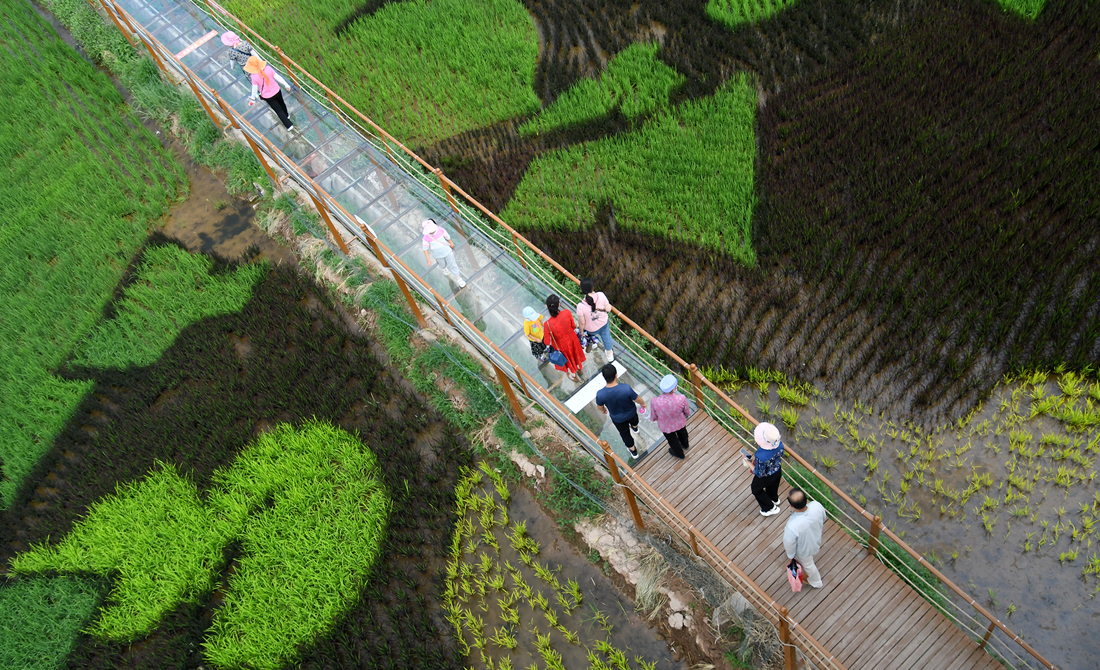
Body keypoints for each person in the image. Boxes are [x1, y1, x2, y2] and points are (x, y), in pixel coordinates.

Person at [596, 364, 647, 460]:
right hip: (631, 413)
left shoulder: (601, 394)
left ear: (604, 377)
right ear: (616, 375)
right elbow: (637, 398)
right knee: (635, 421)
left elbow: (599, 406)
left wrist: (603, 410)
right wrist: (643, 404)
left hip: (618, 419)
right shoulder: (625, 388)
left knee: (625, 434)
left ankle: (633, 451)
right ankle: (635, 428)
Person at [783, 488, 826, 589]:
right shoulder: (817, 505)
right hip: (816, 538)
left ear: (791, 505)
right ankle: (815, 581)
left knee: (808, 565)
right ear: (806, 499)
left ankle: (816, 582)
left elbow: (789, 543)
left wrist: (791, 556)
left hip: (803, 550)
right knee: (809, 563)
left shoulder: (792, 525)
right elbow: (823, 517)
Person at [244, 56, 295, 132]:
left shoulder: (254, 76)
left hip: (268, 96)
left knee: (278, 110)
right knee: (282, 103)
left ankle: (289, 125)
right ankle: (287, 115)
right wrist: (286, 84)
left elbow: (254, 89)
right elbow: (277, 77)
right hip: (277, 91)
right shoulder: (268, 68)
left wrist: (253, 98)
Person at [648, 374, 692, 459]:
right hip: (680, 422)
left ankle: (680, 455)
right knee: (683, 433)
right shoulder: (681, 398)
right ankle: (685, 445)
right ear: (674, 388)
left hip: (666, 426)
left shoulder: (655, 401)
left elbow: (654, 416)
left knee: (672, 441)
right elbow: (687, 411)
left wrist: (654, 419)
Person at [542, 295, 585, 381]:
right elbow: (573, 326)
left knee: (568, 360)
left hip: (561, 347)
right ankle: (579, 369)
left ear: (547, 306)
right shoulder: (567, 312)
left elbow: (547, 342)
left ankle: (573, 375)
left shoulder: (547, 324)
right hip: (573, 340)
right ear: (558, 305)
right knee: (575, 355)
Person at [746, 422, 784, 516]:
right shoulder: (780, 444)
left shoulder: (761, 456)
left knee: (756, 489)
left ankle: (769, 507)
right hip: (777, 470)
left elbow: (759, 473)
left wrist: (748, 462)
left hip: (766, 476)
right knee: (773, 487)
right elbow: (781, 454)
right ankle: (774, 499)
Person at [576, 278, 615, 362]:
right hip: (603, 323)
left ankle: (593, 343)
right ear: (593, 288)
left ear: (582, 290)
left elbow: (582, 322)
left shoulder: (580, 306)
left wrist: (581, 332)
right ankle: (609, 354)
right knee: (606, 337)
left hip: (591, 329)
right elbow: (608, 309)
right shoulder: (601, 295)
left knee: (589, 334)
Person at [421, 219, 466, 288]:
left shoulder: (440, 229)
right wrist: (428, 259)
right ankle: (444, 268)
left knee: (452, 264)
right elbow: (425, 249)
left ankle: (458, 278)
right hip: (438, 255)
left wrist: (451, 243)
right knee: (442, 264)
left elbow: (447, 236)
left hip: (447, 251)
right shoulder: (426, 237)